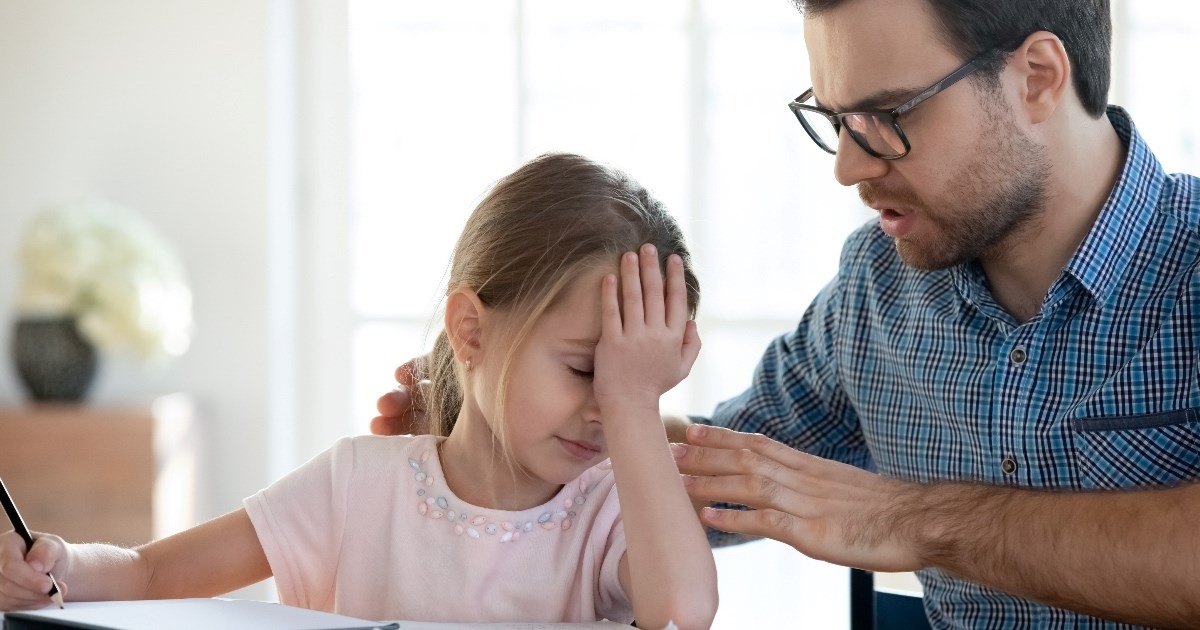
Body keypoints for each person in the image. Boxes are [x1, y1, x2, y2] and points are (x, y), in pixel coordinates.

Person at [372, 0, 1200, 627]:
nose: (846, 165)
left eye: (891, 117)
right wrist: (515, 425)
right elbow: (733, 477)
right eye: (836, 120)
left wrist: (910, 519)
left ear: (1038, 79)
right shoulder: (875, 290)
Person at [0, 153, 719, 629]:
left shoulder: (612, 513)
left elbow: (684, 614)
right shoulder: (357, 487)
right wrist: (62, 566)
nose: (607, 407)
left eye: (639, 384)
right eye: (589, 370)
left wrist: (633, 409)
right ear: (471, 330)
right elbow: (155, 574)